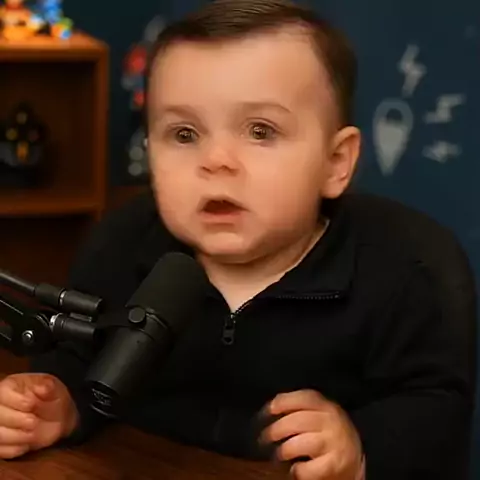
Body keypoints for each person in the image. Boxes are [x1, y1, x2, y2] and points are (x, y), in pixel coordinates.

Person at [0, 1, 476, 479]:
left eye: (260, 131)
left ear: (336, 163)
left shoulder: (402, 271)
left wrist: (361, 448)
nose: (216, 160)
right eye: (184, 134)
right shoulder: (122, 243)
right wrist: (60, 402)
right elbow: (77, 358)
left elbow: (433, 413)